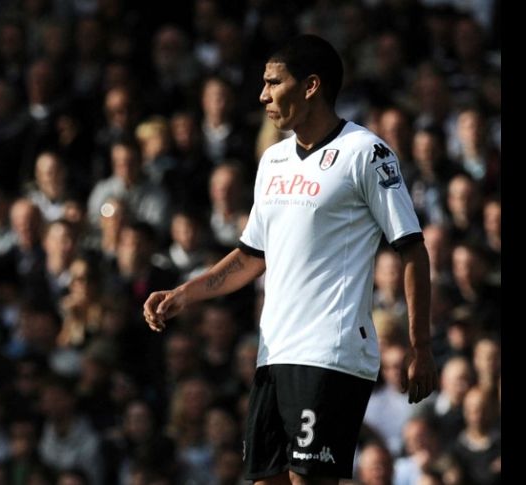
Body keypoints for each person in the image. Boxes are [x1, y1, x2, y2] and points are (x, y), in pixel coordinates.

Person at [143, 34, 437, 485]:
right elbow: (250, 256)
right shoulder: (273, 161)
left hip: (330, 351)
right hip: (273, 352)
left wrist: (421, 346)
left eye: (273, 82)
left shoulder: (366, 153)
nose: (262, 95)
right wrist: (186, 293)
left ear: (311, 86)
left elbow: (412, 248)